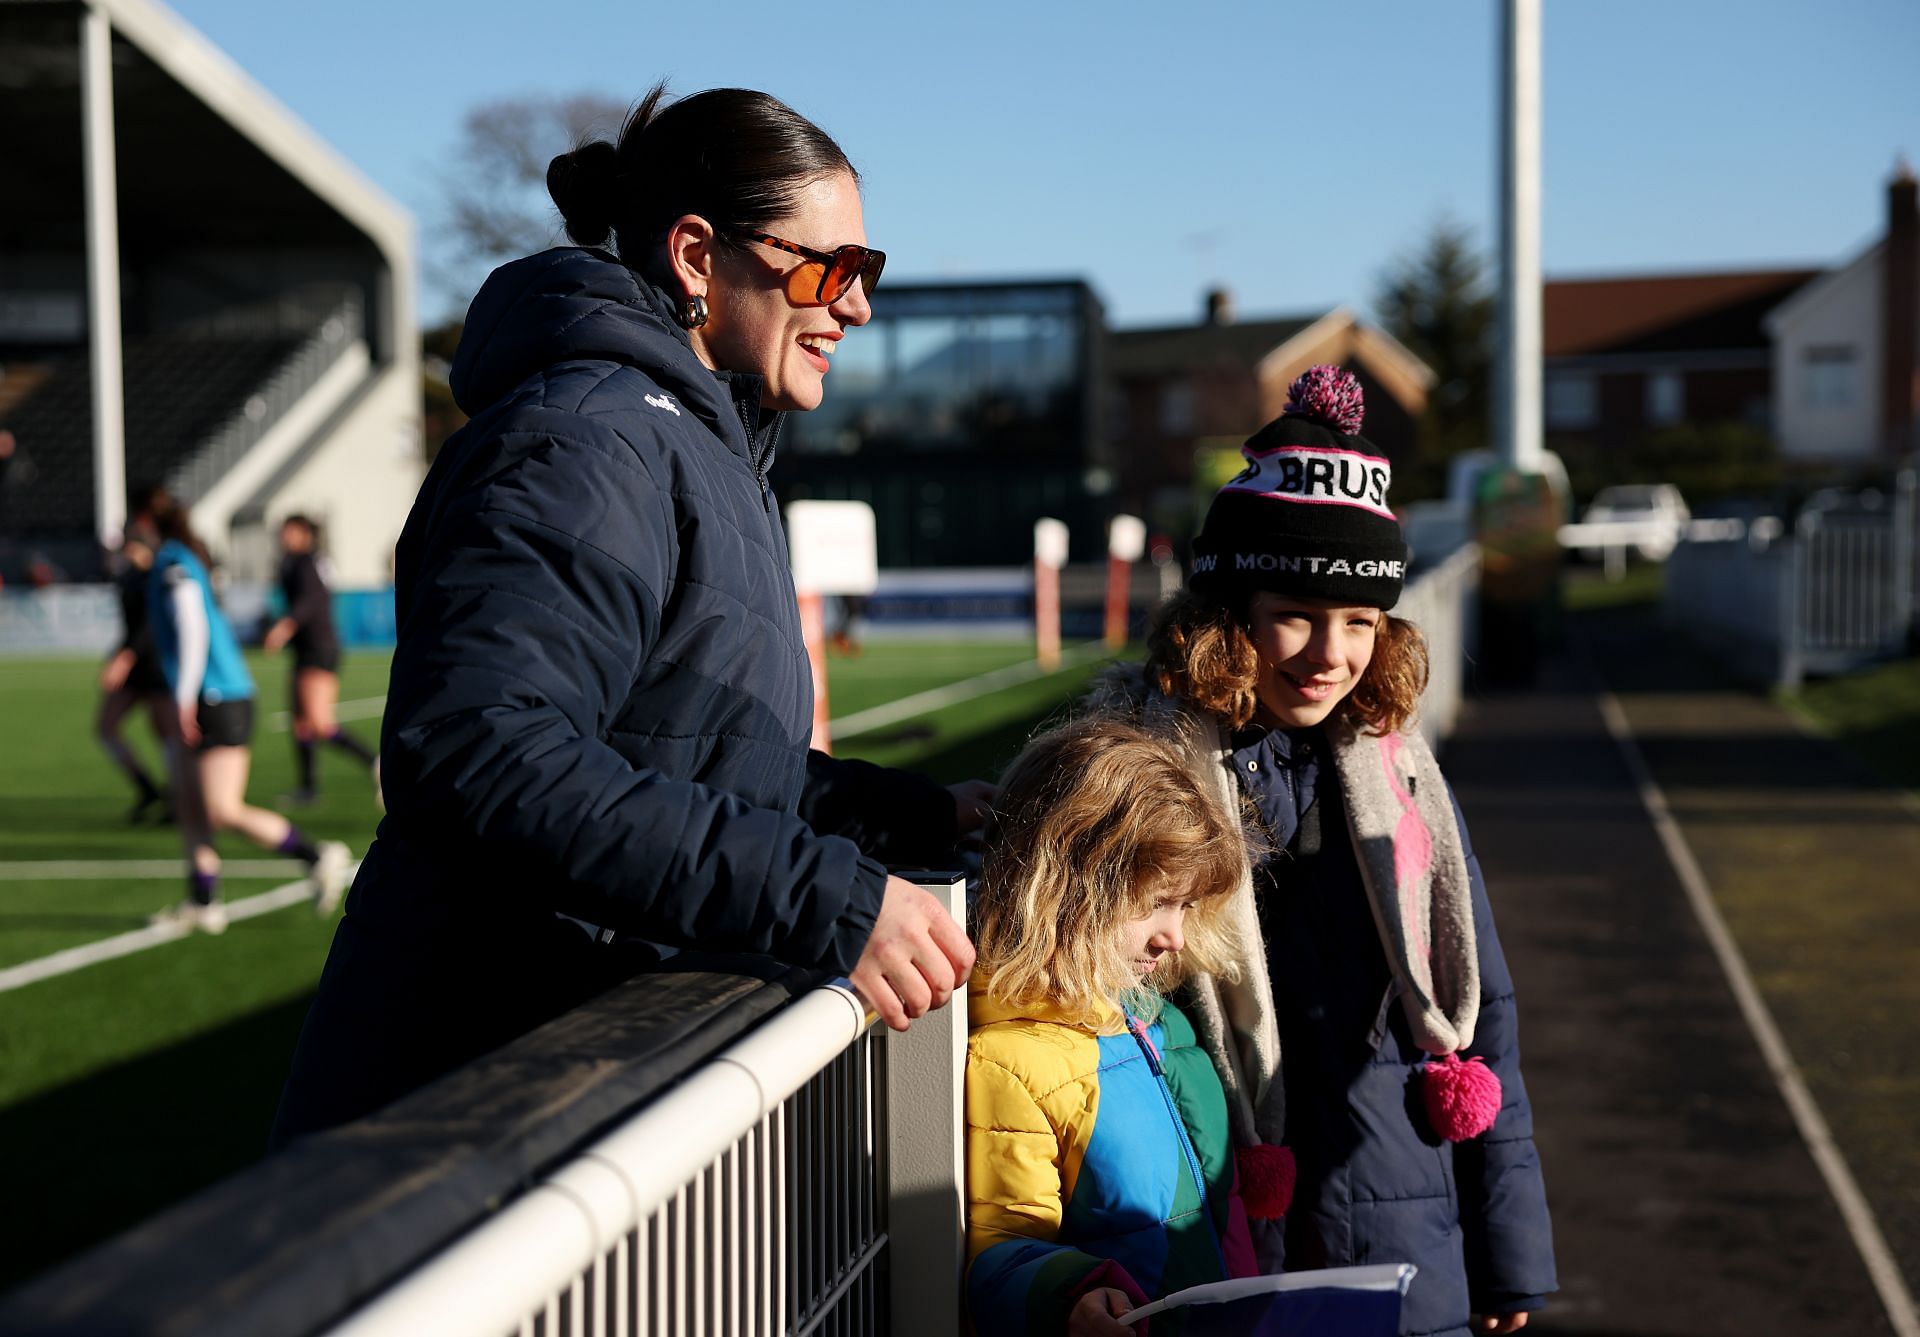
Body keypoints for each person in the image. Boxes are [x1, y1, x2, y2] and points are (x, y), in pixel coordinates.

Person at [271, 85, 981, 1146]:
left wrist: (917, 820)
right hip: (459, 1116)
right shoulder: (585, 439)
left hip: (569, 1101)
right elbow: (483, 751)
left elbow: (702, 757)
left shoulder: (707, 448)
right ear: (697, 256)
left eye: (866, 271)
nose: (857, 305)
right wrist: (821, 894)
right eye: (831, 268)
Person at [1092, 367, 1556, 1337]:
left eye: (1358, 621)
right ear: (1230, 612)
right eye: (1295, 613)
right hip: (1209, 1228)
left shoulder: (1407, 777)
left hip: (1407, 1233)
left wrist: (1508, 1255)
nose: (1329, 653)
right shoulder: (1140, 768)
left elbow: (1488, 1018)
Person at [966, 718, 1263, 1337]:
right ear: (1066, 887)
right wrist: (1071, 1299)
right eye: (1155, 902)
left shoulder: (1165, 1024)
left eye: (1183, 906)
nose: (1174, 937)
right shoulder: (1011, 1062)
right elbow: (1003, 1252)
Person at [134, 487, 351, 933]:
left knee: (221, 809)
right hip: (205, 693)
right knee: (190, 805)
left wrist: (184, 696)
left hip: (217, 696)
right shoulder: (177, 558)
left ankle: (318, 856)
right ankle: (203, 901)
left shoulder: (174, 563)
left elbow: (191, 625)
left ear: (142, 522)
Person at [260, 514, 378, 804]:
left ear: (303, 533)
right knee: (301, 722)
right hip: (305, 649)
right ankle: (308, 788)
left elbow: (311, 601)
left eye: (289, 531)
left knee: (320, 723)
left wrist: (284, 626)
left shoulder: (306, 562)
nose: (283, 537)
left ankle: (377, 763)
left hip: (318, 648)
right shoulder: (294, 562)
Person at [97, 537, 173, 822]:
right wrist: (118, 654)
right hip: (135, 665)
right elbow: (132, 626)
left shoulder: (161, 578)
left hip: (156, 664)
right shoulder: (128, 578)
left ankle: (178, 797)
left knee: (166, 731)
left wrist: (124, 657)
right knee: (106, 727)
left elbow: (152, 626)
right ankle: (147, 788)